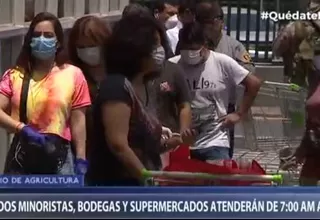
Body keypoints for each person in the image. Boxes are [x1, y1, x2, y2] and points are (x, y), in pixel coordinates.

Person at [86, 15, 179, 186]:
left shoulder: (144, 87)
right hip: (116, 193)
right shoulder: (116, 87)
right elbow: (118, 144)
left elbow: (144, 146)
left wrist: (169, 143)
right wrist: (148, 179)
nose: (160, 50)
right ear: (137, 48)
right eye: (155, 44)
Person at [0, 12, 91, 174]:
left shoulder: (73, 74)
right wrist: (21, 128)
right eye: (37, 35)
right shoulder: (15, 76)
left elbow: (78, 120)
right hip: (22, 158)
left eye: (48, 35)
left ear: (58, 42)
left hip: (60, 160)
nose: (42, 40)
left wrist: (81, 158)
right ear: (30, 41)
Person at [170, 22, 261, 161]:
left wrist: (238, 113)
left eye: (193, 49)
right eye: (185, 49)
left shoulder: (221, 62)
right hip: (181, 143)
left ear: (204, 44)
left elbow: (253, 83)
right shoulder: (173, 65)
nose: (189, 54)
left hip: (215, 142)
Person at [194, 0, 256, 158]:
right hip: (195, 105)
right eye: (201, 22)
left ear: (219, 21)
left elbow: (249, 71)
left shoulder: (232, 46)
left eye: (209, 22)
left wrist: (227, 71)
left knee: (221, 156)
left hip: (223, 107)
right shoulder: (191, 43)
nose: (205, 27)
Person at [273, 0, 320, 186]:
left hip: (296, 89)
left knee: (291, 135)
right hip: (313, 92)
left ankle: (289, 174)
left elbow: (277, 49)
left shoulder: (297, 27)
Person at [68, 15, 111, 156]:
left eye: (92, 45)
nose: (87, 51)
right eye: (81, 47)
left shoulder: (120, 74)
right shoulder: (71, 77)